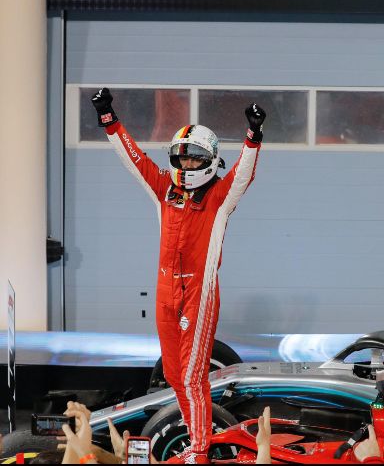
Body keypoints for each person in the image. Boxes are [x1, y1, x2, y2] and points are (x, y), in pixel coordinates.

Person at [91, 88, 266, 463]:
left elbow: (243, 176)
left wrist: (253, 137)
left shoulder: (219, 199)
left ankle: (200, 450)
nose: (185, 165)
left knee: (191, 377)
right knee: (173, 375)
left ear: (208, 161)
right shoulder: (163, 191)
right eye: (181, 158)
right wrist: (109, 118)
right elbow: (135, 160)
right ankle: (192, 437)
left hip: (198, 293)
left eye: (193, 158)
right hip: (164, 290)